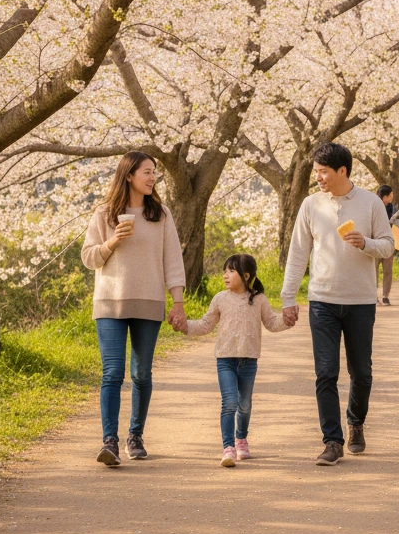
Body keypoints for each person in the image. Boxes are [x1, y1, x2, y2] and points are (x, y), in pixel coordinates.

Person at [280, 142, 394, 466]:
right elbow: (298, 253)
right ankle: (332, 441)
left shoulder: (371, 203)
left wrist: (366, 243)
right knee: (325, 373)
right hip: (322, 301)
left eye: (323, 172)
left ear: (342, 171)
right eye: (316, 171)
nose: (317, 177)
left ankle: (356, 421)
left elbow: (388, 246)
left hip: (360, 301)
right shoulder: (311, 205)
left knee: (362, 373)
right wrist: (288, 297)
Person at [81, 150, 186, 467]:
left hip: (149, 302)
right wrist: (112, 241)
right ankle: (109, 441)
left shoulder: (161, 215)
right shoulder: (104, 214)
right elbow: (89, 258)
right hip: (109, 304)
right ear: (129, 176)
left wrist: (178, 302)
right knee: (112, 373)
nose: (153, 177)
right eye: (147, 172)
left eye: (154, 172)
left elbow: (173, 261)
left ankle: (135, 436)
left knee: (141, 374)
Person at [184, 253, 294, 466]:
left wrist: (287, 321)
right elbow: (206, 324)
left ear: (246, 275)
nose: (225, 275)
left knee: (244, 404)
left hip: (249, 361)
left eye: (231, 271)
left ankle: (241, 439)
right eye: (224, 271)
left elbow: (272, 323)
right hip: (225, 360)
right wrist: (185, 326)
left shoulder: (259, 299)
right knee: (229, 403)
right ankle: (228, 448)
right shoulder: (220, 299)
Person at [376, 185, 395, 305]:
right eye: (391, 194)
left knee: (388, 270)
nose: (392, 197)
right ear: (385, 196)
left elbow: (398, 220)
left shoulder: (393, 208)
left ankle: (385, 296)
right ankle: (374, 296)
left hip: (388, 243)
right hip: (375, 243)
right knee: (374, 270)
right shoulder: (373, 207)